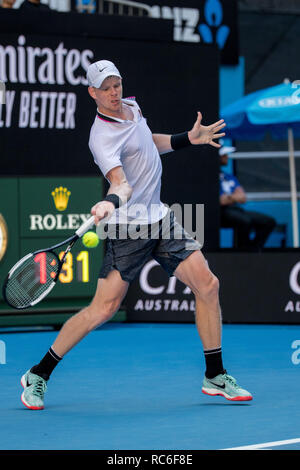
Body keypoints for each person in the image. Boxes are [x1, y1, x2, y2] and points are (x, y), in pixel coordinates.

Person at [20, 60, 252, 410]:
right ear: (92, 93)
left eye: (116, 84)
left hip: (161, 218)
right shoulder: (101, 137)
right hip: (127, 228)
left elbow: (147, 145)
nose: (113, 92)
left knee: (208, 284)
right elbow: (121, 183)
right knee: (103, 309)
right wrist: (110, 201)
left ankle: (215, 375)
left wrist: (187, 139)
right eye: (106, 87)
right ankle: (39, 373)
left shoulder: (132, 105)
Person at [219, 146, 276, 250]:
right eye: (224, 155)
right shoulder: (209, 176)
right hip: (221, 213)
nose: (227, 157)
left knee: (268, 221)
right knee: (244, 221)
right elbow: (220, 201)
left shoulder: (229, 176)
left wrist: (229, 197)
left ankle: (253, 250)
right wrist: (234, 197)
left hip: (236, 209)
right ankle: (243, 251)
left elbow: (243, 198)